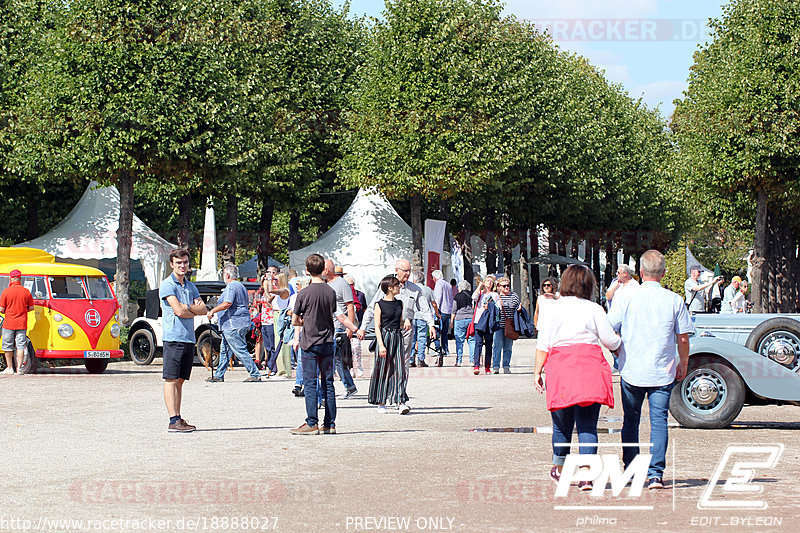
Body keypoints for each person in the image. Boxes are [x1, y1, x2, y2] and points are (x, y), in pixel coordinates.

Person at [608, 249, 693, 490]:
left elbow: (608, 327)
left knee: (630, 422)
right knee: (659, 422)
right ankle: (656, 474)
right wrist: (683, 363)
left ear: (641, 273)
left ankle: (632, 470)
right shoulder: (674, 299)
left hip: (632, 369)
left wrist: (617, 350)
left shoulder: (626, 297)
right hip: (662, 371)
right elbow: (683, 338)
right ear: (664, 273)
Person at [534, 265, 621, 490]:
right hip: (589, 368)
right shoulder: (594, 309)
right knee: (587, 426)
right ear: (587, 285)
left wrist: (537, 372)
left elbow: (544, 343)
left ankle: (560, 467)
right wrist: (621, 342)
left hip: (561, 368)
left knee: (561, 426)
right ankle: (586, 475)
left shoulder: (551, 309)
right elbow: (610, 341)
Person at [290, 254, 358, 435]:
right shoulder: (330, 292)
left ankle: (312, 422)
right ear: (324, 270)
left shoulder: (303, 293)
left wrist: (304, 322)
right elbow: (340, 316)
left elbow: (295, 320)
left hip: (310, 343)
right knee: (328, 382)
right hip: (328, 342)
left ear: (306, 271)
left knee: (311, 383)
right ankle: (330, 423)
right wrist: (355, 328)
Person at [357, 259, 435, 415]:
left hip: (403, 332)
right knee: (384, 367)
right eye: (404, 271)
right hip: (385, 333)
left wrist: (431, 324)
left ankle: (399, 399)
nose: (407, 274)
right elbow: (373, 308)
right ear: (397, 270)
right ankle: (382, 399)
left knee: (402, 367)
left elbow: (424, 308)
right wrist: (363, 327)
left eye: (409, 271)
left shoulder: (415, 289)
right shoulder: (386, 286)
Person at [159, 249, 207, 432]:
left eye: (185, 262)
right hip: (173, 337)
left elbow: (204, 309)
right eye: (178, 263)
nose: (182, 266)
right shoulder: (167, 285)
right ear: (172, 264)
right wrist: (191, 308)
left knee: (180, 380)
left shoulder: (191, 286)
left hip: (188, 337)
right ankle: (173, 420)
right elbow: (178, 311)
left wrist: (188, 308)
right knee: (171, 379)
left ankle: (178, 417)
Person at [206, 265, 263, 382]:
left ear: (227, 275)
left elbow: (227, 303)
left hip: (233, 324)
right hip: (237, 323)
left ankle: (255, 373)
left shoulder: (231, 287)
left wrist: (213, 310)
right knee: (225, 350)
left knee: (239, 349)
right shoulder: (240, 286)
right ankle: (218, 375)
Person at [368, 275, 412, 414]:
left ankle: (400, 401)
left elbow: (398, 320)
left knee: (399, 369)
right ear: (390, 288)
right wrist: (380, 345)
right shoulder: (379, 304)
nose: (400, 287)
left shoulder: (399, 303)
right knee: (382, 370)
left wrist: (405, 321)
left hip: (397, 336)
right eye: (397, 285)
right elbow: (377, 325)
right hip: (385, 336)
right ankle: (381, 402)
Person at [322, 259, 358, 398]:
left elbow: (350, 305)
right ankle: (349, 385)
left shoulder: (342, 283)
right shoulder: (324, 284)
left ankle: (331, 390)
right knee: (337, 360)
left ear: (328, 269)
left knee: (332, 359)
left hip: (339, 327)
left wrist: (349, 326)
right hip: (328, 326)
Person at [0, 269, 35, 374]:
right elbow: (31, 307)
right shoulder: (26, 291)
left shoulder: (6, 291)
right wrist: (23, 310)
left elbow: (1, 309)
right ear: (20, 279)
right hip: (22, 323)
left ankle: (10, 368)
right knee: (20, 346)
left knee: (7, 346)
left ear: (11, 278)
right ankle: (19, 369)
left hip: (9, 323)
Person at [472, 275, 499, 375]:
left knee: (488, 344)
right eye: (488, 281)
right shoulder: (480, 293)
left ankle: (487, 366)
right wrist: (479, 287)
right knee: (478, 344)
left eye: (491, 282)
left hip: (489, 322)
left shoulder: (495, 295)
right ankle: (476, 365)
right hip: (478, 321)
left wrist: (490, 306)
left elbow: (498, 307)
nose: (490, 283)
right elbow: (473, 297)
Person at [493, 276, 521, 374]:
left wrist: (519, 308)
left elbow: (518, 305)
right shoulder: (496, 296)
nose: (506, 288)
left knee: (508, 347)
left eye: (508, 286)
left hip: (510, 325)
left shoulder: (514, 296)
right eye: (504, 286)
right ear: (499, 286)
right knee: (497, 346)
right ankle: (496, 366)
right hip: (499, 325)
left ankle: (506, 366)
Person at [411, 271, 435, 367]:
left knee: (411, 339)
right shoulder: (428, 289)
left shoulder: (412, 289)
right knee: (422, 338)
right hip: (423, 317)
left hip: (412, 316)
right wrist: (436, 313)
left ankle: (411, 359)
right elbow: (433, 303)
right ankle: (421, 359)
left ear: (415, 279)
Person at [271, 273, 292, 377]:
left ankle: (283, 370)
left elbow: (271, 290)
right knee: (279, 342)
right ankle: (282, 368)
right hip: (276, 314)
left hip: (280, 315)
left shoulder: (284, 291)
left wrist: (269, 281)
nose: (274, 281)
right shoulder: (281, 292)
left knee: (281, 342)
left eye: (276, 279)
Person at [344, 275, 366, 378]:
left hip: (357, 323)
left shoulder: (360, 295)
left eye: (352, 284)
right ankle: (350, 368)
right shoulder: (342, 295)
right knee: (347, 348)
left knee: (357, 346)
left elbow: (364, 308)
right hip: (345, 324)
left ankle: (359, 367)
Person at [432, 270, 454, 366]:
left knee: (437, 331)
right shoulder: (448, 284)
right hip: (448, 310)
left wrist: (435, 312)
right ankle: (446, 349)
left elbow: (438, 298)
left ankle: (438, 349)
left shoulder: (438, 284)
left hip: (441, 310)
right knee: (445, 332)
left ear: (435, 277)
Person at [452, 280, 474, 367]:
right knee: (472, 340)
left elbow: (454, 309)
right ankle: (472, 361)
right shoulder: (471, 295)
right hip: (470, 319)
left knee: (459, 341)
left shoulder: (457, 296)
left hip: (459, 319)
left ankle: (459, 361)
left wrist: (451, 321)